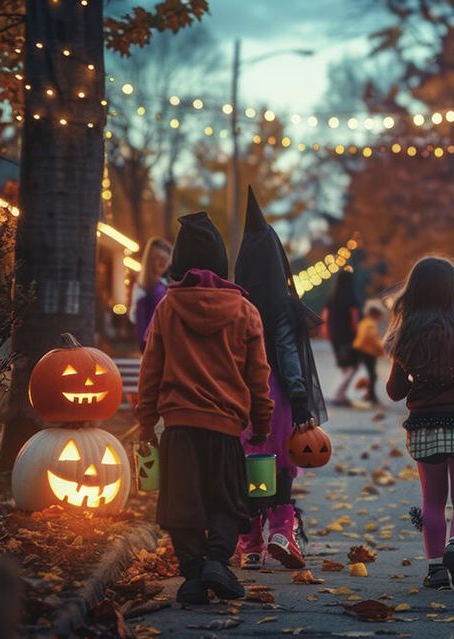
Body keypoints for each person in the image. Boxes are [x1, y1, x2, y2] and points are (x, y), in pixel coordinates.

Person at [136, 211, 274, 604]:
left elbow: (152, 370)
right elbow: (258, 376)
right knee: (227, 502)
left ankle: (194, 575)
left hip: (178, 428)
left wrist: (147, 422)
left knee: (181, 504)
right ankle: (217, 561)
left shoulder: (167, 309)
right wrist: (260, 423)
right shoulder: (246, 311)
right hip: (227, 428)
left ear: (179, 263)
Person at [384, 257, 454, 592]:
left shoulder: (406, 338)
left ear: (413, 294)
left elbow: (394, 391)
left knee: (432, 501)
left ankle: (435, 571)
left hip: (424, 426)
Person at [234, 187, 328, 570]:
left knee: (251, 466)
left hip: (243, 398)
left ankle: (251, 543)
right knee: (282, 465)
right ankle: (282, 531)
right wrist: (301, 399)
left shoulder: (235, 304)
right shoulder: (283, 306)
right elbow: (289, 355)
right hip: (280, 400)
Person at [325, 269, 361, 406]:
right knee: (353, 366)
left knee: (344, 365)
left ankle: (341, 395)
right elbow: (354, 318)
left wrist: (326, 331)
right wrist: (356, 332)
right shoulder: (351, 297)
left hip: (335, 334)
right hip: (349, 335)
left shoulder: (332, 297)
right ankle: (337, 393)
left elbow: (325, 315)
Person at [129, 237, 172, 352]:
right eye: (158, 258)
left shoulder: (167, 286)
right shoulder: (142, 290)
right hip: (154, 347)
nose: (162, 263)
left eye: (165, 259)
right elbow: (139, 322)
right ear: (150, 260)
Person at [352, 302, 385, 406]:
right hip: (368, 352)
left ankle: (369, 394)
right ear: (374, 314)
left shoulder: (365, 322)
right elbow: (372, 338)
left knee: (371, 374)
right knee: (372, 375)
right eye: (379, 314)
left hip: (364, 350)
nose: (380, 317)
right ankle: (371, 396)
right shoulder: (370, 324)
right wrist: (381, 347)